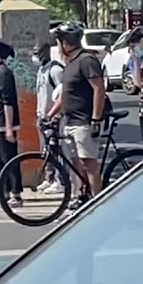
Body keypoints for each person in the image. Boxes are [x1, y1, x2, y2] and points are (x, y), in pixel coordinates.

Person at [45, 21, 107, 203]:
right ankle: (82, 196)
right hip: (70, 120)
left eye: (59, 42)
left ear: (65, 42)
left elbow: (99, 89)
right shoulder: (70, 63)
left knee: (89, 163)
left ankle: (98, 201)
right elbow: (65, 94)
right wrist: (50, 115)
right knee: (76, 163)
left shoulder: (86, 60)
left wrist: (95, 119)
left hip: (84, 121)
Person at [0, 37, 22, 206]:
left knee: (9, 159)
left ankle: (16, 193)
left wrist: (8, 128)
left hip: (4, 123)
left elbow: (8, 102)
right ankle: (5, 192)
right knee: (0, 160)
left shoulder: (4, 73)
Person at [32, 38, 66, 194]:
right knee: (46, 150)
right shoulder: (41, 70)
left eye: (37, 53)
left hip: (53, 118)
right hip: (42, 117)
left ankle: (59, 181)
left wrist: (55, 115)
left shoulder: (55, 71)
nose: (35, 56)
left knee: (56, 149)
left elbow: (62, 94)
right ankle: (49, 178)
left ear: (45, 52)